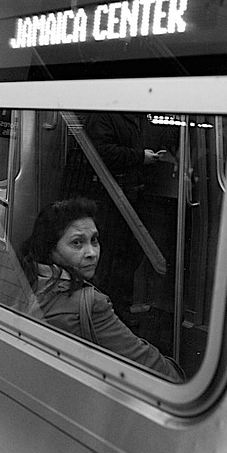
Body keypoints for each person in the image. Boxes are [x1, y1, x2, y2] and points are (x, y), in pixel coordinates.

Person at [19, 198, 182, 381]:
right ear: (50, 249)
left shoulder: (25, 278)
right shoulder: (92, 304)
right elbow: (149, 365)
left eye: (94, 240)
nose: (92, 253)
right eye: (77, 243)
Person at [81, 111, 177, 329]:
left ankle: (120, 311)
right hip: (110, 199)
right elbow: (101, 153)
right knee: (110, 260)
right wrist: (140, 157)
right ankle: (104, 314)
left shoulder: (140, 118)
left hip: (133, 197)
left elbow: (161, 135)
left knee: (128, 259)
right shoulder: (104, 117)